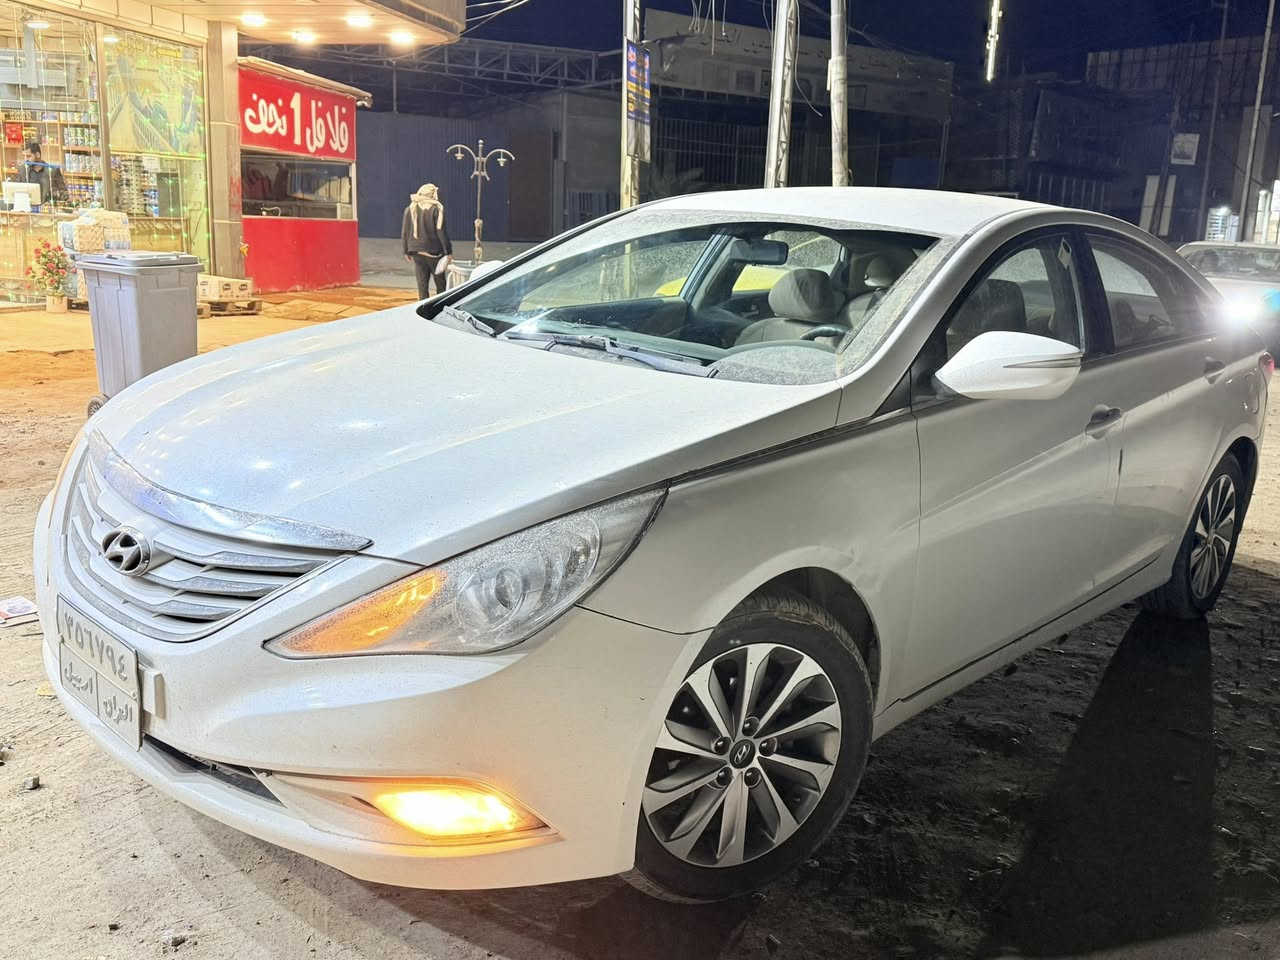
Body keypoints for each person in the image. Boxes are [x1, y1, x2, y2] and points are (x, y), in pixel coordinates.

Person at [402, 183, 452, 299]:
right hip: (435, 253)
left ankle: (423, 307)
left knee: (422, 286)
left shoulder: (410, 209)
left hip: (417, 252)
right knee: (440, 285)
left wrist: (405, 251)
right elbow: (441, 232)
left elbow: (405, 232)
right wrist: (448, 252)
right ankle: (440, 306)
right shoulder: (436, 209)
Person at [21, 142, 68, 206]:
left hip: (47, 209)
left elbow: (64, 194)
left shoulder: (53, 171)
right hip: (28, 208)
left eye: (28, 156)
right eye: (24, 156)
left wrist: (55, 196)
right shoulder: (23, 170)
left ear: (38, 155)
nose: (26, 159)